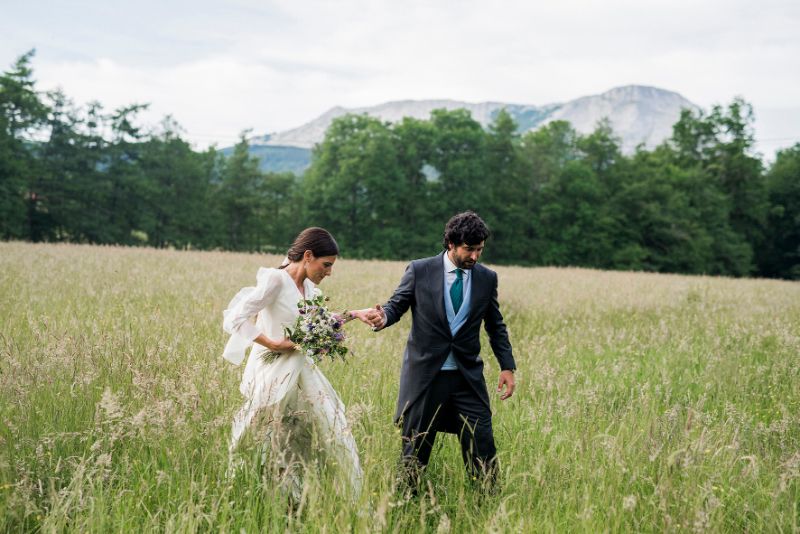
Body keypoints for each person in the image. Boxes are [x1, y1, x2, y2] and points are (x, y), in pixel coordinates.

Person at [366, 211, 516, 493]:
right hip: (426, 377)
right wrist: (383, 317)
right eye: (469, 249)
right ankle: (406, 504)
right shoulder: (420, 270)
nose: (474, 256)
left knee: (481, 440)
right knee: (416, 447)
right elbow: (396, 305)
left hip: (466, 377)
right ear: (451, 244)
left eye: (479, 250)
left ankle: (488, 502)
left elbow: (496, 326)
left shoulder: (487, 278)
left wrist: (507, 367)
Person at [221, 227, 374, 501]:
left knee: (324, 430)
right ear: (307, 255)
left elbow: (321, 323)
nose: (329, 272)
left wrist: (354, 314)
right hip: (274, 371)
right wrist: (272, 344)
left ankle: (300, 496)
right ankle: (239, 490)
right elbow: (234, 318)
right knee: (258, 432)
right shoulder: (276, 281)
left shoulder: (311, 290)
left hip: (304, 372)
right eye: (326, 265)